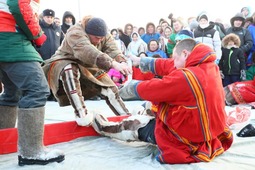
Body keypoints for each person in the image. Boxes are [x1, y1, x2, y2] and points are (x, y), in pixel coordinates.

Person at [92, 39, 233, 164]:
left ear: (185, 54)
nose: (174, 63)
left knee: (136, 124)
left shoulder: (186, 77)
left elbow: (153, 88)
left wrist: (122, 89)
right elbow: (170, 64)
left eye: (175, 58)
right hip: (209, 130)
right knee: (146, 106)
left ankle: (104, 128)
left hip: (187, 137)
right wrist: (140, 61)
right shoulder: (209, 67)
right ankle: (142, 114)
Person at [0, 0, 64, 165]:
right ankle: (31, 152)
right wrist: (37, 34)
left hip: (4, 38)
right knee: (37, 89)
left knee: (12, 92)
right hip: (11, 39)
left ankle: (3, 141)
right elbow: (18, 5)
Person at [42, 16, 132, 126]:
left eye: (101, 38)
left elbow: (112, 49)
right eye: (96, 38)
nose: (99, 40)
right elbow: (87, 51)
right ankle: (81, 114)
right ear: (88, 33)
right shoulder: (75, 32)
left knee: (110, 89)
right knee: (69, 69)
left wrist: (121, 61)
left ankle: (127, 118)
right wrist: (113, 64)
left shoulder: (104, 35)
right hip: (63, 61)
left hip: (88, 66)